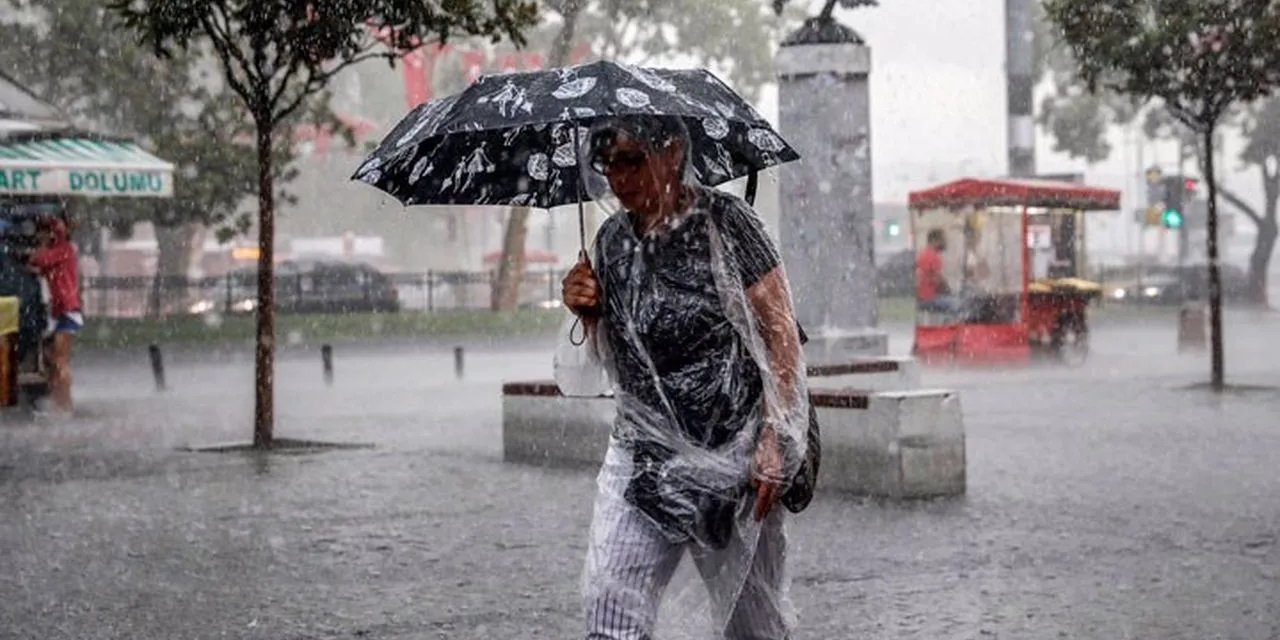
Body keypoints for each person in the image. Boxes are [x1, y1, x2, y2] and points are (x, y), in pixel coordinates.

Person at [559, 115, 809, 640]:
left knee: (754, 626)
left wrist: (776, 437)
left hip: (733, 461)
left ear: (671, 152)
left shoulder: (726, 224)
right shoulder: (610, 243)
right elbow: (618, 357)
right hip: (643, 461)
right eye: (607, 165)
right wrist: (586, 312)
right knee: (610, 614)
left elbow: (780, 331)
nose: (618, 179)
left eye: (630, 160)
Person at [28, 216, 81, 415]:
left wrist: (42, 242)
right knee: (50, 360)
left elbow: (38, 259)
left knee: (60, 361)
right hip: (58, 311)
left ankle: (66, 405)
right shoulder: (59, 253)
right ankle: (58, 401)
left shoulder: (63, 249)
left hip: (67, 310)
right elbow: (38, 266)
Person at [916, 228, 961, 314]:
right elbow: (940, 282)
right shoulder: (933, 256)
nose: (945, 243)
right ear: (935, 241)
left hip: (921, 299)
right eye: (943, 240)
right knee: (958, 304)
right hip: (928, 299)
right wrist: (950, 291)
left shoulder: (923, 254)